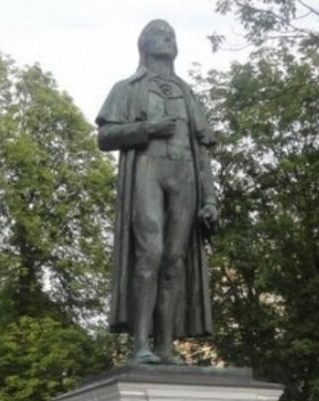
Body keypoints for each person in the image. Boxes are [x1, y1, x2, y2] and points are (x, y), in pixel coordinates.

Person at [97, 19, 218, 364]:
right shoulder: (127, 88)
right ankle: (141, 345)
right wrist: (148, 129)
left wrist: (210, 198)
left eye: (172, 35)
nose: (168, 38)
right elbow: (105, 137)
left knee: (174, 261)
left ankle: (165, 346)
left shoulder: (187, 92)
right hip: (147, 171)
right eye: (160, 34)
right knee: (149, 254)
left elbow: (202, 148)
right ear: (144, 44)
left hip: (185, 176)